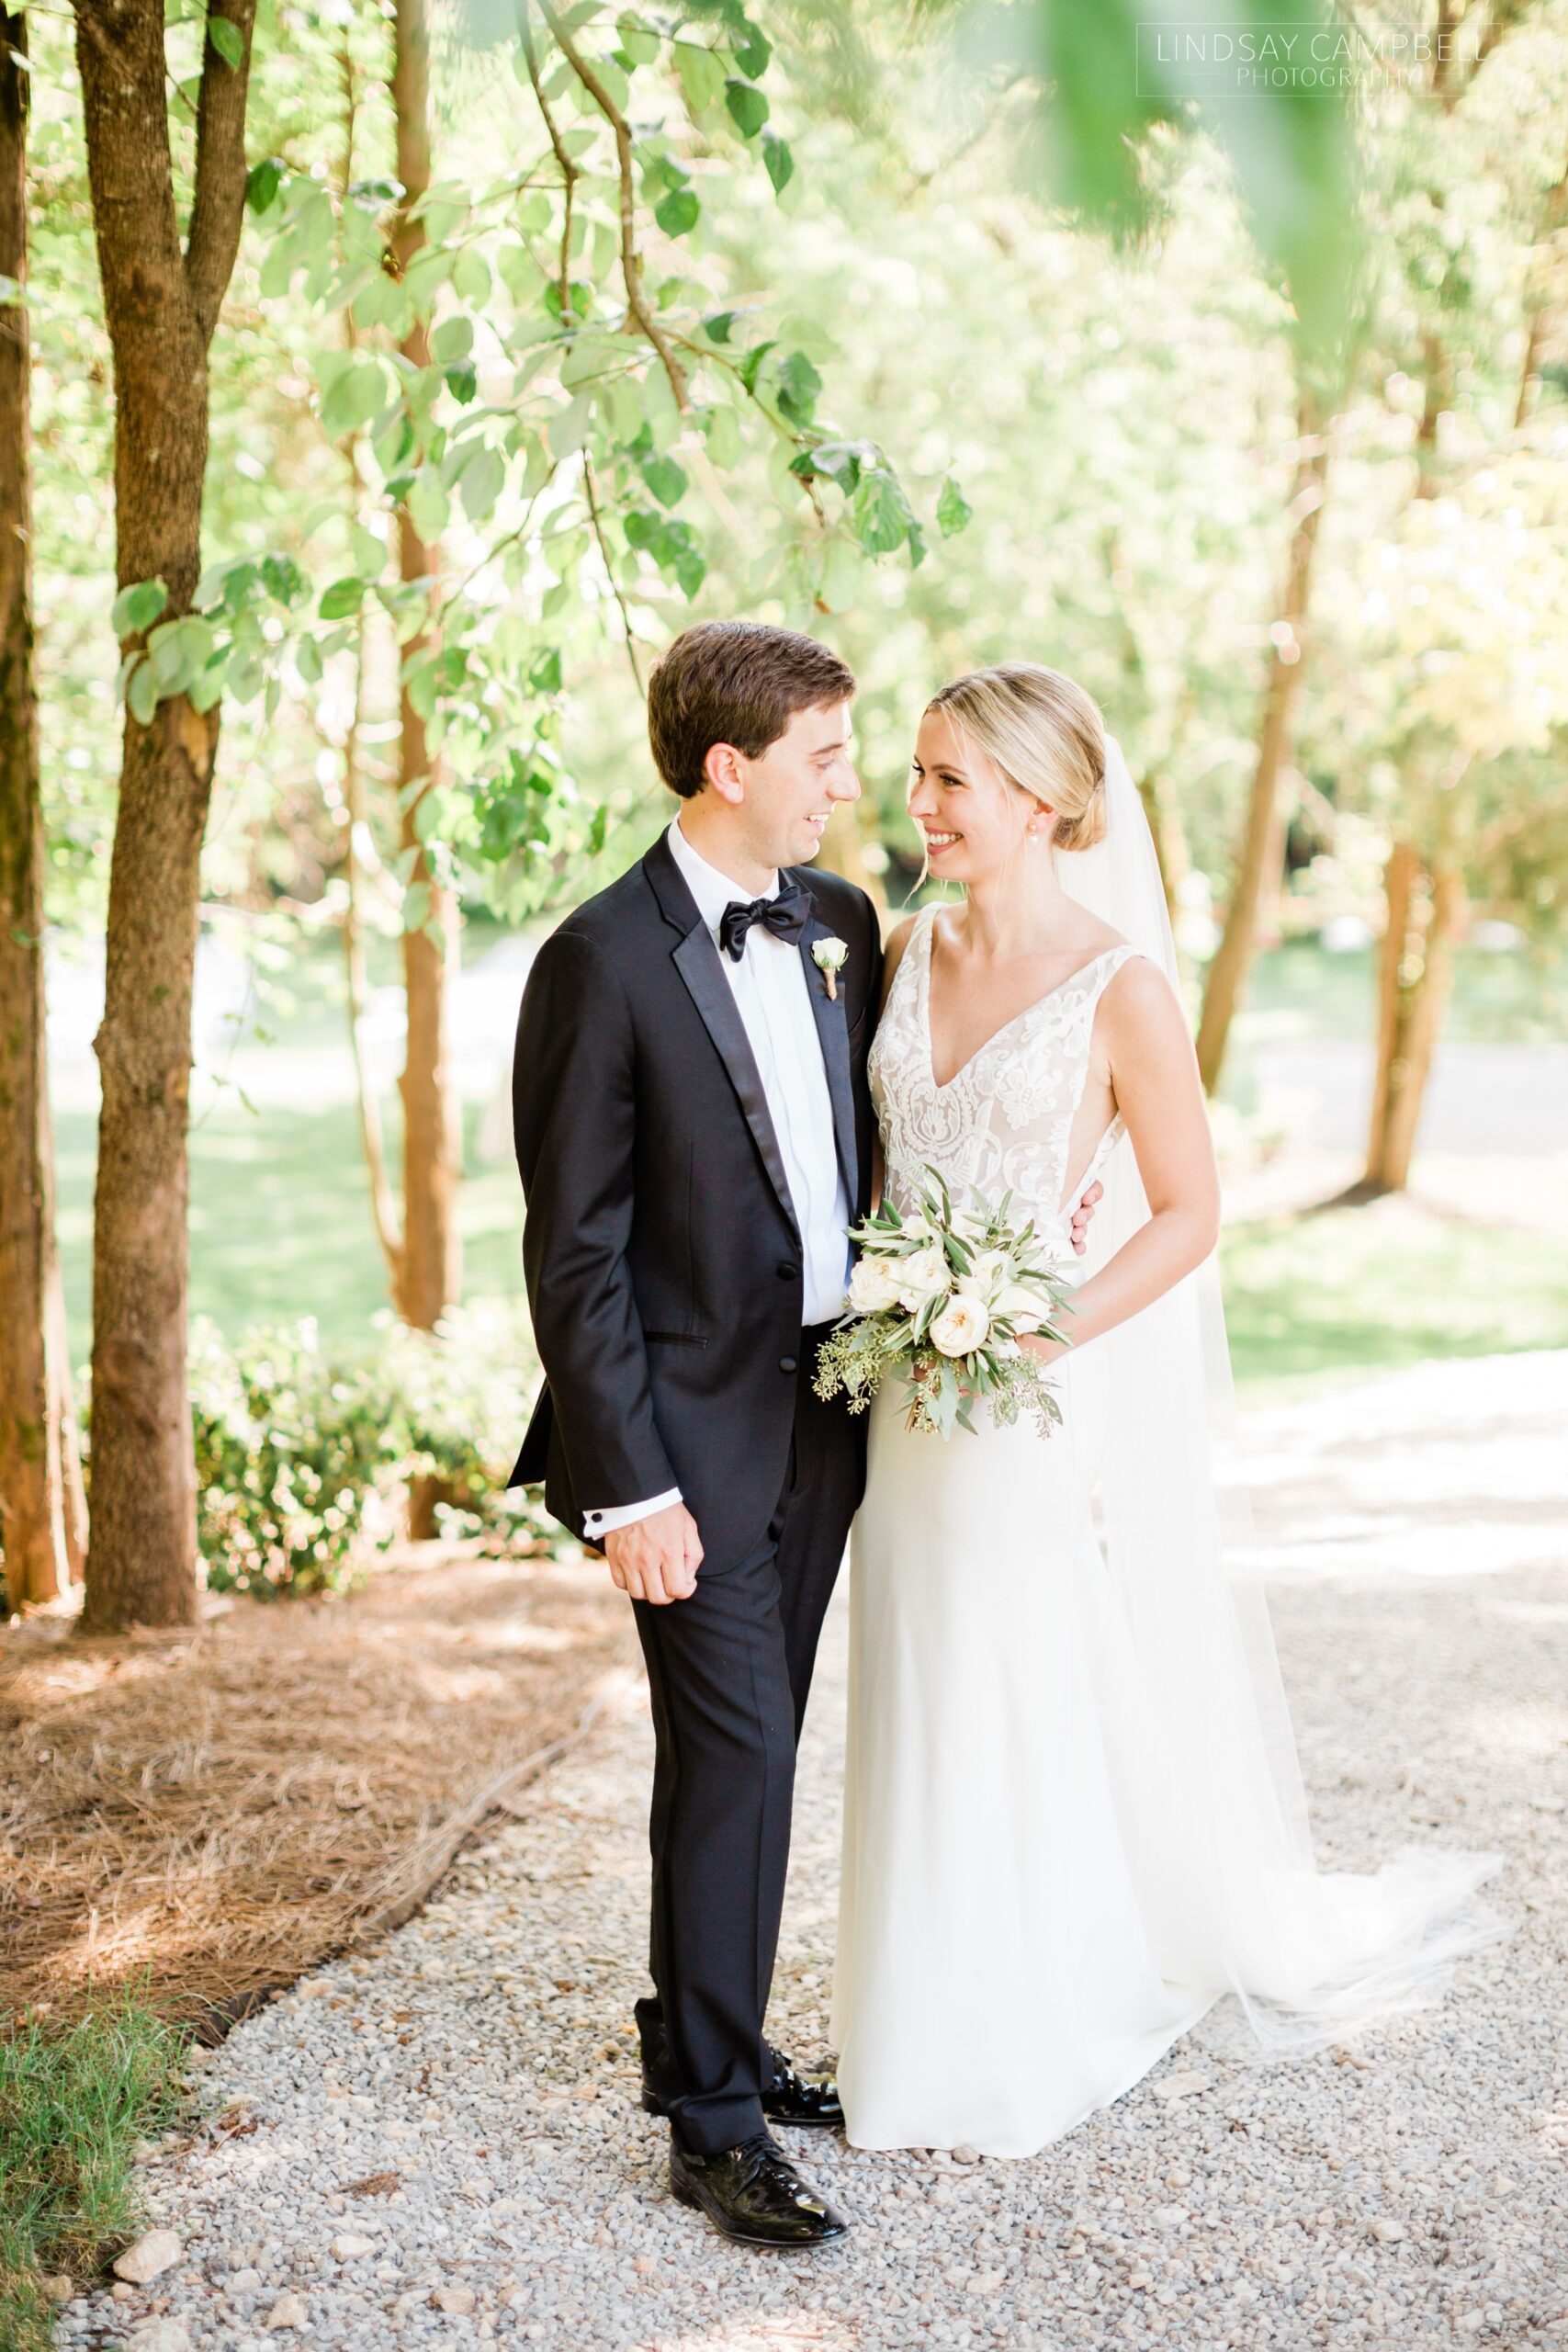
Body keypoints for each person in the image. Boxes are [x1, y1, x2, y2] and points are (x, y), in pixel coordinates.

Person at [832, 662, 1506, 2158]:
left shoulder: (1120, 986)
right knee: (917, 1668)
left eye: (951, 780)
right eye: (922, 773)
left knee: (1010, 1667)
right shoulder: (903, 948)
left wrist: (1035, 1327)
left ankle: (1026, 2013)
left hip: (1020, 1395)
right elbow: (884, 1166)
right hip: (901, 1389)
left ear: (1047, 801)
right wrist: (895, 1299)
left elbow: (1189, 1211)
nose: (919, 804)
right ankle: (910, 2004)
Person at [510, 622, 1105, 2246]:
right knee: (743, 1749)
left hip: (830, 1424)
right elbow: (572, 1254)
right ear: (733, 767)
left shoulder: (842, 925)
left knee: (750, 1746)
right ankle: (711, 2120)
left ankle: (702, 2039)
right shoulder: (598, 962)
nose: (858, 791)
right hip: (677, 1449)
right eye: (830, 761)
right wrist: (623, 1485)